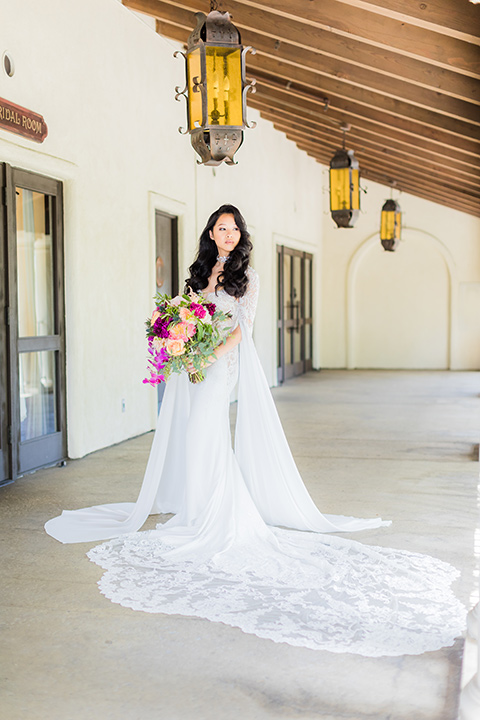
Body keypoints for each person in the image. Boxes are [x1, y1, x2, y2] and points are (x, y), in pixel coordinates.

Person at [45, 205, 464, 656]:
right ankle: (196, 504)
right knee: (192, 437)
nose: (227, 234)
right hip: (190, 368)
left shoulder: (250, 278)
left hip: (219, 365)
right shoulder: (199, 274)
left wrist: (208, 355)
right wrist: (177, 343)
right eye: (220, 228)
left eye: (234, 228)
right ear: (211, 232)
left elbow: (243, 331)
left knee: (208, 431)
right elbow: (186, 317)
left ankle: (215, 516)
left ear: (241, 234)